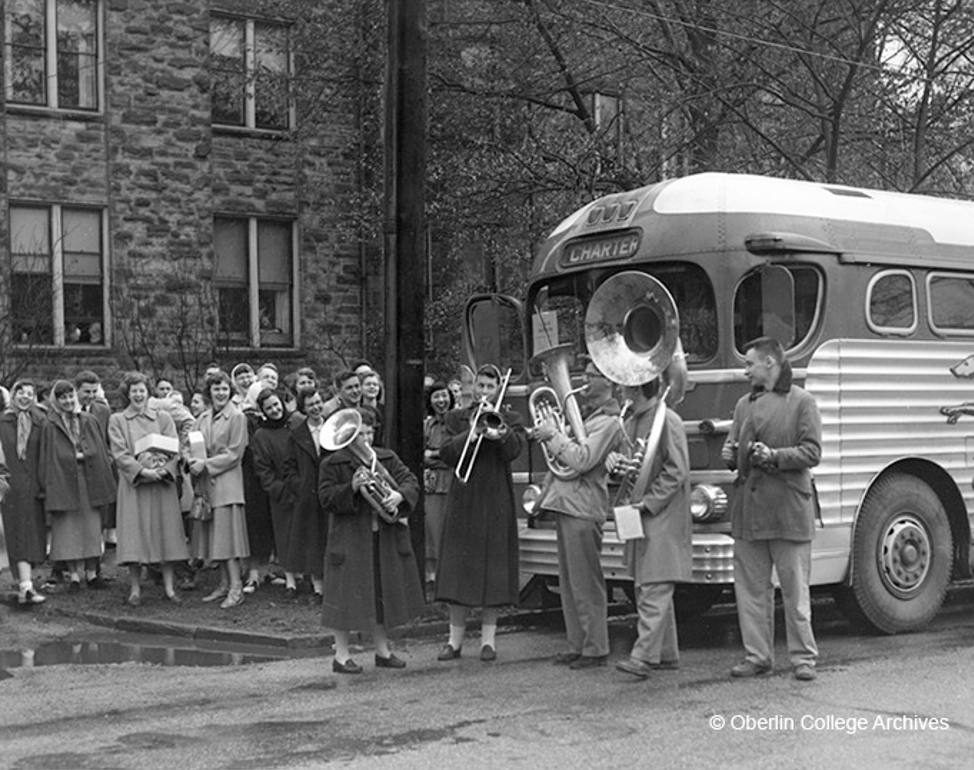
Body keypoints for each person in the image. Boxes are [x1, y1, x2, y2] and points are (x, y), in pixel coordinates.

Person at [721, 336, 822, 682]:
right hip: (749, 512)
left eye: (750, 363)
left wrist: (775, 457)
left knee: (796, 593)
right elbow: (736, 449)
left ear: (769, 363)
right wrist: (732, 456)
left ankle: (803, 659)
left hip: (787, 510)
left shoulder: (802, 401)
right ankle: (758, 656)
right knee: (750, 591)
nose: (745, 369)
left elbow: (812, 452)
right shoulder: (742, 405)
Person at [318, 407, 425, 674]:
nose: (364, 438)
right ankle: (341, 656)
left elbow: (410, 481)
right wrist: (351, 488)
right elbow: (325, 498)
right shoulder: (333, 463)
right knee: (342, 599)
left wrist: (399, 496)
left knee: (380, 596)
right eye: (358, 433)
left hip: (382, 538)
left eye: (368, 432)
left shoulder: (386, 457)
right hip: (350, 539)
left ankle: (382, 651)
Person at [530, 370, 623, 669]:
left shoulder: (610, 422)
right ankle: (577, 644)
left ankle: (595, 648)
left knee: (585, 582)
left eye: (591, 375)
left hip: (583, 506)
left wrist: (553, 435)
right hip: (567, 504)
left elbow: (582, 460)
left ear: (608, 382)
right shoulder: (586, 416)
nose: (584, 379)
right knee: (569, 582)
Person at [435, 363, 524, 662]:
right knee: (457, 573)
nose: (484, 392)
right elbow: (445, 453)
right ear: (472, 388)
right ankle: (454, 641)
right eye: (480, 386)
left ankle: (489, 641)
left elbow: (515, 451)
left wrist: (501, 434)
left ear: (499, 388)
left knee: (492, 571)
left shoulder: (509, 418)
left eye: (490, 386)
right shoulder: (455, 418)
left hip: (495, 500)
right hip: (464, 499)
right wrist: (470, 436)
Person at [606, 379, 691, 679]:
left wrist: (648, 502)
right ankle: (666, 654)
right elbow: (628, 467)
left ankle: (642, 657)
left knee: (654, 584)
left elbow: (677, 470)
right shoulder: (631, 422)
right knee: (646, 584)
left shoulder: (668, 419)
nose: (618, 391)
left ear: (637, 390)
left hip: (661, 514)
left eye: (623, 387)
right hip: (641, 513)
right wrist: (614, 464)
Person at [108, 371, 190, 606]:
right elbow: (120, 454)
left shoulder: (163, 418)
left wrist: (163, 470)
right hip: (135, 485)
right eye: (134, 390)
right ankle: (135, 589)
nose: (138, 394)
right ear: (127, 393)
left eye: (142, 390)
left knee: (166, 534)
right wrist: (143, 471)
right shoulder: (118, 420)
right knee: (135, 535)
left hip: (161, 485)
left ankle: (169, 588)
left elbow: (173, 449)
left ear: (148, 392)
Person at [38, 380, 117, 591]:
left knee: (91, 527)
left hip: (88, 480)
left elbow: (99, 450)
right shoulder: (49, 425)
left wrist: (85, 455)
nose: (68, 401)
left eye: (70, 396)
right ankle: (73, 575)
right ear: (56, 400)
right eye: (62, 397)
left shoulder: (89, 420)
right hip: (63, 482)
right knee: (67, 529)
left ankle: (92, 573)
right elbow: (47, 456)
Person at [189, 370, 250, 609]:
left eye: (225, 388)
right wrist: (190, 460)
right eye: (216, 389)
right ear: (209, 392)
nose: (221, 393)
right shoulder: (202, 418)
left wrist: (206, 465)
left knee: (229, 539)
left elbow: (235, 453)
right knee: (216, 537)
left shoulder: (237, 417)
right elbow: (191, 443)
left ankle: (236, 587)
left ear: (230, 391)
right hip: (207, 485)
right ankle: (224, 583)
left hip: (227, 484)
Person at [0, 380, 48, 605]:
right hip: (10, 484)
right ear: (14, 394)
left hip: (33, 485)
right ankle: (25, 586)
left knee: (30, 533)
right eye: (21, 392)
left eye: (30, 393)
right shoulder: (3, 421)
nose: (25, 397)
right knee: (16, 533)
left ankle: (24, 585)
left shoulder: (40, 421)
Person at [282, 388, 328, 600]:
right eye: (311, 405)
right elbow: (288, 468)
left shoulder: (333, 427)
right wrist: (300, 486)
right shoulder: (297, 435)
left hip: (330, 493)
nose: (316, 408)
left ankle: (331, 587)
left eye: (319, 402)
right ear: (303, 408)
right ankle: (318, 587)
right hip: (308, 497)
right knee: (313, 541)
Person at [251, 388, 297, 598]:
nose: (275, 410)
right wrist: (278, 489)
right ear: (263, 411)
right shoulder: (261, 435)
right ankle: (290, 581)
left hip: (301, 488)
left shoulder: (295, 424)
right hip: (280, 492)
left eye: (276, 404)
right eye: (269, 408)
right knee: (284, 536)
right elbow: (262, 469)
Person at [422, 380, 454, 590]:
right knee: (431, 527)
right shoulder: (426, 425)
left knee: (449, 527)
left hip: (451, 480)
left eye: (444, 396)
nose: (441, 401)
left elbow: (455, 453)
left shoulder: (456, 421)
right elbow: (420, 454)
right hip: (432, 482)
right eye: (436, 397)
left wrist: (433, 454)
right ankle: (431, 574)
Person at [359, 370, 384, 445]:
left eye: (375, 384)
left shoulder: (386, 410)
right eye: (368, 384)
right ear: (360, 387)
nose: (372, 387)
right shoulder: (357, 410)